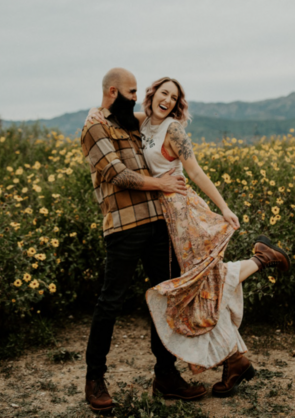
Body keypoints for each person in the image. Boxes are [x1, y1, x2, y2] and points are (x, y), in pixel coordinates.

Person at [87, 75, 290, 399]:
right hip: (160, 216)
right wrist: (94, 112)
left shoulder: (173, 130)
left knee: (202, 279)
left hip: (181, 214)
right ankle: (234, 358)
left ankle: (260, 259)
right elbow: (113, 115)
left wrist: (223, 207)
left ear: (177, 104)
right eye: (162, 93)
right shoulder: (143, 122)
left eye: (174, 96)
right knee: (195, 287)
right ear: (151, 96)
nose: (166, 99)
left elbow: (194, 171)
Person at [81, 68, 208, 413]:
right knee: (111, 301)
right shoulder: (95, 127)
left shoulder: (127, 122)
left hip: (156, 223)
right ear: (112, 91)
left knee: (165, 298)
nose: (137, 96)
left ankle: (165, 376)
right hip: (123, 226)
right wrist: (163, 185)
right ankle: (94, 379)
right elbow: (116, 174)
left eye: (138, 91)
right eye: (131, 91)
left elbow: (150, 119)